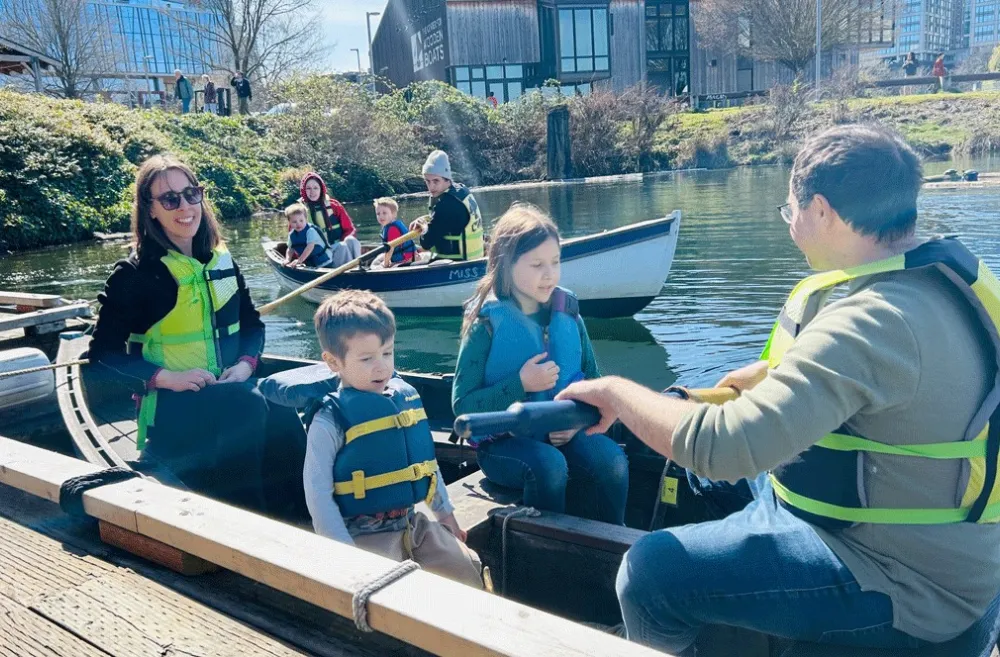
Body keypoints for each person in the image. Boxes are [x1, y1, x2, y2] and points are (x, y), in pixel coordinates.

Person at [556, 124, 1000, 655]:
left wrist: (616, 393)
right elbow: (878, 383)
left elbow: (723, 448)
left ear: (821, 211)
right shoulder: (931, 282)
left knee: (650, 573)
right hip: (937, 550)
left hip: (908, 585)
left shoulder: (872, 319)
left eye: (789, 210)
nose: (790, 222)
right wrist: (759, 381)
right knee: (708, 496)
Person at [88, 153, 303, 515]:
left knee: (279, 405)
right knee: (246, 406)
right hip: (173, 410)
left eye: (191, 194)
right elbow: (101, 356)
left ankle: (304, 517)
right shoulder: (135, 274)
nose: (185, 206)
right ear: (150, 209)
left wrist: (248, 364)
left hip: (230, 389)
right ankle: (249, 523)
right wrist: (165, 378)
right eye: (170, 199)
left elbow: (251, 326)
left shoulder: (222, 261)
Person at [452, 203, 629, 524]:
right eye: (537, 265)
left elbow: (595, 383)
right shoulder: (486, 325)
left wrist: (577, 423)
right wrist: (521, 384)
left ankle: (614, 545)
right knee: (549, 466)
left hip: (566, 434)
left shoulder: (568, 313)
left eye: (555, 262)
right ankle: (546, 557)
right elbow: (462, 406)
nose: (549, 274)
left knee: (612, 460)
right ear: (506, 265)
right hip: (504, 446)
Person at [304, 290, 484, 588]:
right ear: (333, 362)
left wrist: (446, 515)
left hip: (411, 523)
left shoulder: (404, 400)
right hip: (361, 534)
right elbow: (318, 494)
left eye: (387, 353)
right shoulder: (330, 418)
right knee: (387, 593)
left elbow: (426, 466)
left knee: (467, 571)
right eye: (367, 358)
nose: (382, 366)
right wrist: (342, 553)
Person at [408, 150, 485, 262]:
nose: (431, 187)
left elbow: (426, 243)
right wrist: (423, 220)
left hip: (458, 263)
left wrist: (423, 229)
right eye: (427, 181)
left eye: (436, 181)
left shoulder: (446, 204)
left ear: (447, 179)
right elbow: (446, 220)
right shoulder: (461, 190)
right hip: (475, 257)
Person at [299, 172, 362, 267]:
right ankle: (350, 273)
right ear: (304, 190)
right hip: (318, 256)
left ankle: (358, 268)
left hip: (338, 248)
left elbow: (349, 229)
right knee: (342, 247)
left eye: (315, 188)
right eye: (308, 188)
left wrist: (342, 242)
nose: (312, 192)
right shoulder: (300, 211)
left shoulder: (334, 206)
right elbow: (295, 239)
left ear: (321, 189)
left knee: (351, 241)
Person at [284, 202, 333, 268]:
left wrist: (299, 260)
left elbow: (310, 247)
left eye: (301, 220)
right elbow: (290, 249)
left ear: (306, 219)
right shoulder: (291, 235)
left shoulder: (310, 231)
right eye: (294, 222)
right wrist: (288, 259)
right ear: (289, 222)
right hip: (309, 264)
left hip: (324, 263)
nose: (298, 224)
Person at [373, 197, 417, 268]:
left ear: (394, 215)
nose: (381, 216)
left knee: (377, 266)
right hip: (406, 256)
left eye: (384, 213)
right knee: (379, 257)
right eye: (378, 214)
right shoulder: (389, 226)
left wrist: (386, 265)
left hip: (406, 259)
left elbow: (390, 248)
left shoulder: (392, 229)